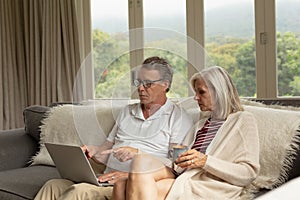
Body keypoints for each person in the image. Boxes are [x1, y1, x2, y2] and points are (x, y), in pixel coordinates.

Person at [34, 56, 194, 200]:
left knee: (79, 191)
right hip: (106, 177)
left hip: (129, 186)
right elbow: (105, 151)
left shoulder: (178, 117)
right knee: (52, 185)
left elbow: (176, 166)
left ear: (165, 85)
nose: (140, 88)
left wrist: (134, 164)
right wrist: (93, 151)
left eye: (148, 84)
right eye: (138, 82)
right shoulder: (127, 112)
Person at [125, 66, 261, 200]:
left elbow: (248, 173)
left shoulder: (242, 120)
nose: (196, 98)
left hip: (210, 185)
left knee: (153, 189)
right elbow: (177, 163)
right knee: (138, 163)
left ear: (219, 92)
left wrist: (205, 161)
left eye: (201, 92)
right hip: (185, 176)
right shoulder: (200, 125)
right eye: (196, 92)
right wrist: (139, 155)